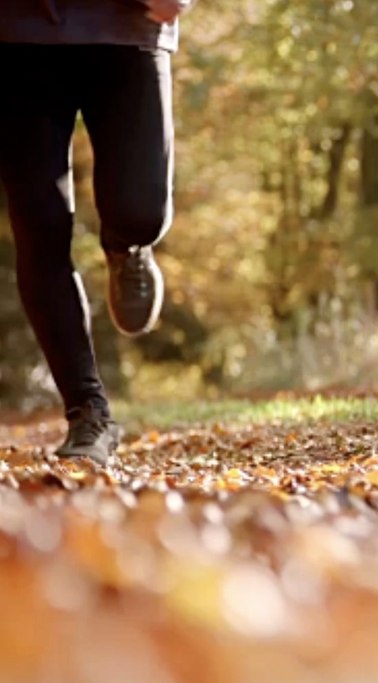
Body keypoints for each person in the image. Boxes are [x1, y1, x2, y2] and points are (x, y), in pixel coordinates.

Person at [0, 0, 193, 466]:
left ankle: (127, 248)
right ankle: (89, 411)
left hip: (128, 24)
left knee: (141, 211)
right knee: (39, 224)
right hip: (17, 32)